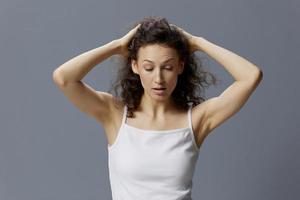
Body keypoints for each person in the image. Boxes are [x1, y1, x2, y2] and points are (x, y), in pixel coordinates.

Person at [52, 16, 263, 200]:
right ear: (135, 66)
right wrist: (117, 47)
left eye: (168, 67)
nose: (158, 79)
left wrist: (197, 43)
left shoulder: (196, 120)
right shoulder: (115, 115)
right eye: (149, 68)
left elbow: (250, 76)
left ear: (181, 66)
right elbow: (64, 78)